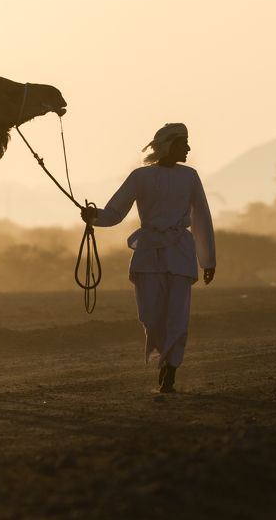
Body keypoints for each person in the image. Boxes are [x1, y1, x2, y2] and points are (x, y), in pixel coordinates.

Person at [81, 123, 216, 393]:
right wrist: (94, 217)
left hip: (180, 253)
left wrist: (208, 260)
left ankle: (170, 371)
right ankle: (163, 358)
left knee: (178, 316)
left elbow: (201, 216)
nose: (188, 148)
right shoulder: (139, 177)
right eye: (183, 143)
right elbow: (115, 212)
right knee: (151, 317)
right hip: (148, 254)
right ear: (169, 145)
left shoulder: (190, 176)